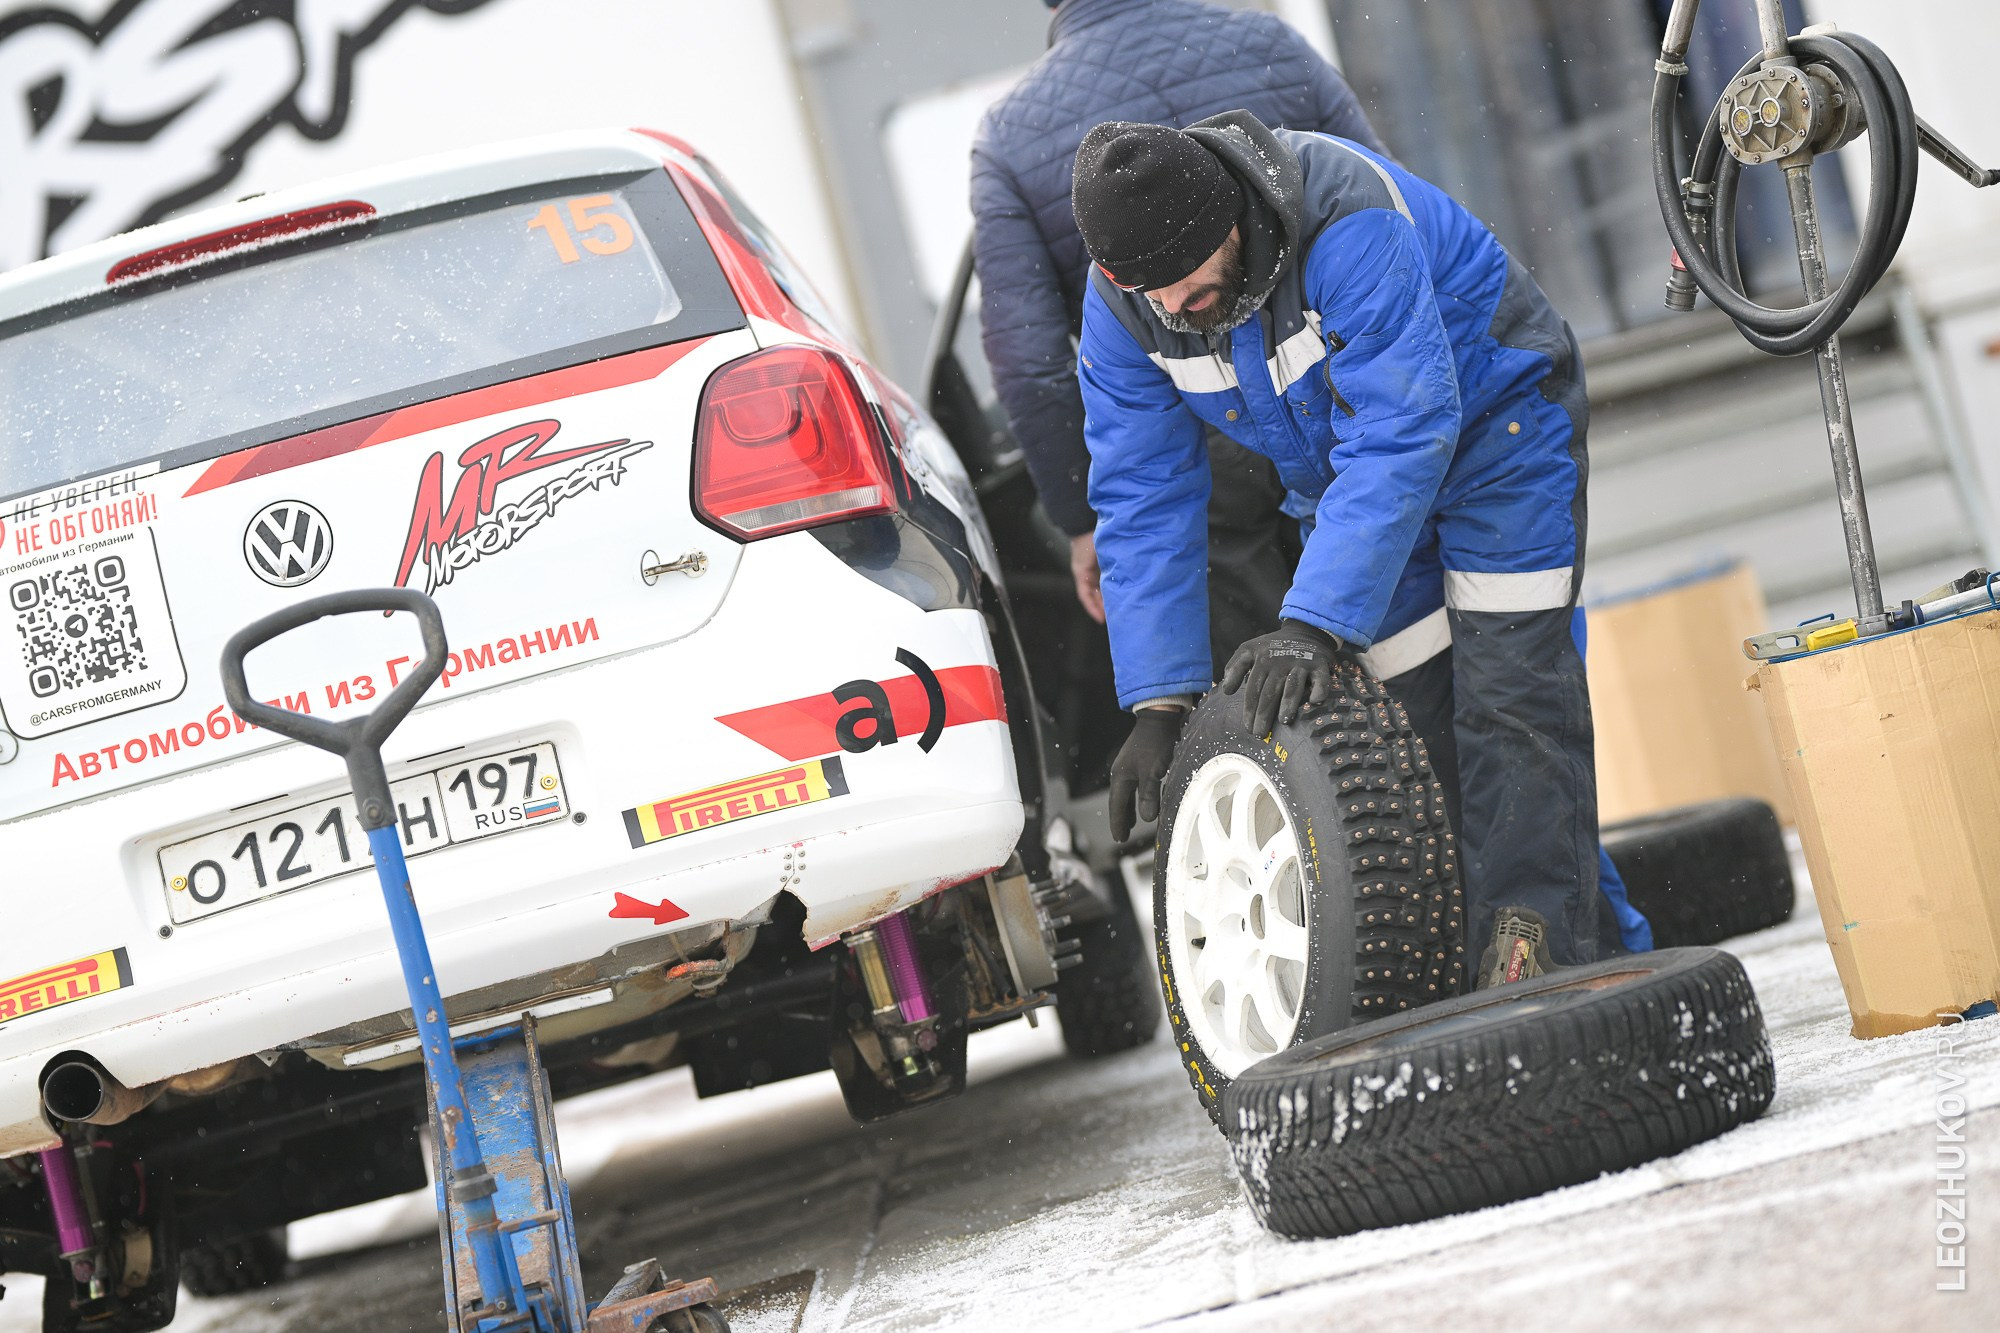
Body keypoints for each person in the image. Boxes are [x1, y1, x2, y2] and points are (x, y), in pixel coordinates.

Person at [1071, 109, 1648, 980]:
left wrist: (1314, 620)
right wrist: (1158, 698)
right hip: (1350, 487)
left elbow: (1404, 426)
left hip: (1501, 435)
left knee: (1512, 698)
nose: (1174, 309)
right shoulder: (1129, 306)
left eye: (1187, 282)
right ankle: (1598, 964)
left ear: (1228, 224)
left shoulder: (1343, 215)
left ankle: (1537, 965)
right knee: (1418, 737)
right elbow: (1142, 495)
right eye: (1150, 293)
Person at [969, 0, 1386, 671]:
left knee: (1269, 697)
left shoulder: (1010, 137)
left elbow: (1029, 362)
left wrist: (1085, 520)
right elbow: (1388, 202)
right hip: (1341, 397)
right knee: (1403, 634)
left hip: (1199, 446)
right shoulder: (1267, 42)